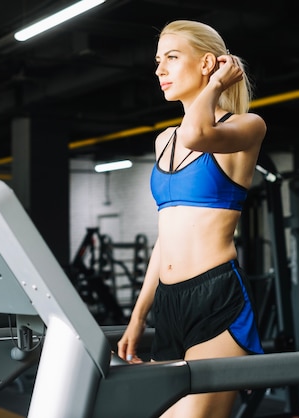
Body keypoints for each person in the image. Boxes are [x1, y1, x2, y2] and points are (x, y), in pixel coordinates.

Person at [117, 20, 266, 418]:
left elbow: (197, 135)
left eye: (171, 57)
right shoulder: (164, 139)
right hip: (168, 304)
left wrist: (217, 86)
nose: (159, 70)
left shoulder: (246, 126)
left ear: (207, 64)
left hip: (215, 297)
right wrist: (139, 316)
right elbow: (166, 237)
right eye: (157, 60)